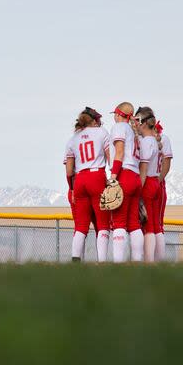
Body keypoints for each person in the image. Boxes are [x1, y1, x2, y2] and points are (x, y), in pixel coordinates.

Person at [65, 107, 111, 262]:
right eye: (97, 119)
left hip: (80, 180)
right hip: (96, 176)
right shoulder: (102, 132)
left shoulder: (73, 139)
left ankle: (76, 261)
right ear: (93, 120)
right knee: (103, 224)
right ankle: (102, 261)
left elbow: (69, 171)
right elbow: (111, 159)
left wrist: (72, 189)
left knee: (80, 226)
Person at [108, 102, 143, 262]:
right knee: (134, 223)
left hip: (125, 174)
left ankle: (118, 263)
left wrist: (113, 176)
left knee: (119, 222)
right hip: (135, 176)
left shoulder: (120, 127)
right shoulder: (133, 132)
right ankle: (137, 261)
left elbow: (119, 152)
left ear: (118, 114)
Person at [134, 108, 163, 262]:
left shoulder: (146, 142)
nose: (136, 125)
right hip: (155, 182)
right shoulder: (154, 141)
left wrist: (139, 189)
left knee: (149, 226)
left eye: (138, 121)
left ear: (144, 123)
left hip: (148, 182)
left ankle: (149, 261)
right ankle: (158, 260)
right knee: (156, 226)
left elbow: (144, 169)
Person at [156, 119, 173, 261]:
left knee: (156, 224)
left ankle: (156, 260)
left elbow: (167, 164)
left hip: (152, 181)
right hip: (147, 182)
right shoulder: (140, 138)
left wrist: (159, 180)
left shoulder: (163, 138)